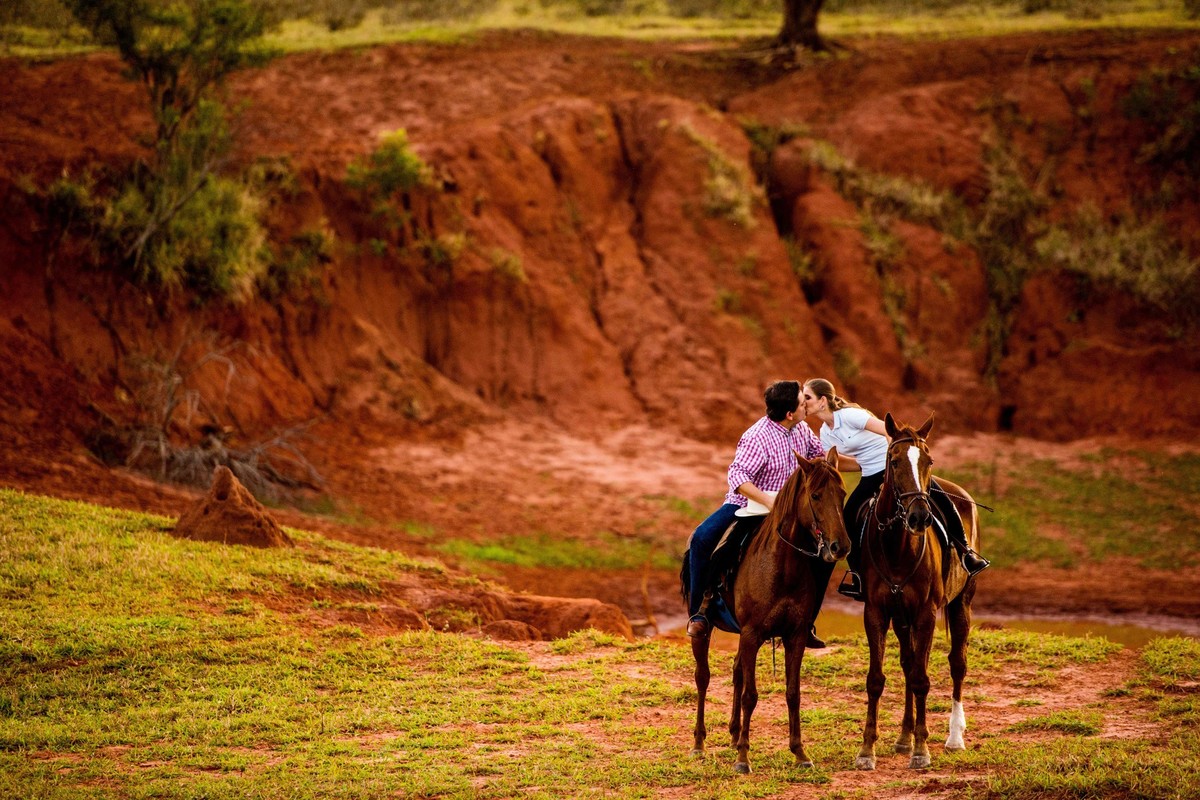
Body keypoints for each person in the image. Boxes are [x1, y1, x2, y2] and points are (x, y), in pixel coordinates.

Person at [800, 378, 990, 601]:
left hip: (896, 469)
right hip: (870, 475)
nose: (803, 402)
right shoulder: (825, 432)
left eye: (807, 397)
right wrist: (853, 465)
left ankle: (966, 553)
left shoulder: (850, 416)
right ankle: (859, 576)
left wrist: (898, 463)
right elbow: (841, 461)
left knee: (939, 498)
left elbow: (890, 433)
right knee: (849, 518)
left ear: (823, 401)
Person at [685, 380, 826, 642]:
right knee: (702, 539)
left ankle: (806, 622)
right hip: (749, 507)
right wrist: (772, 503)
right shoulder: (756, 437)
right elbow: (738, 477)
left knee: (827, 549)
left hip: (793, 511)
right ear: (789, 413)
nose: (806, 405)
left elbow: (821, 459)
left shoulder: (803, 429)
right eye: (801, 402)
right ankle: (699, 613)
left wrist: (871, 460)